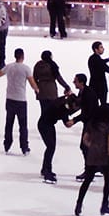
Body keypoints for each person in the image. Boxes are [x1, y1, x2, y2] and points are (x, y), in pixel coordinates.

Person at [33, 49, 71, 184]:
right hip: (51, 91)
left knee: (46, 113)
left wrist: (37, 90)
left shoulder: (38, 65)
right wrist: (66, 86)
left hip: (42, 92)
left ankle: (45, 168)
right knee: (51, 145)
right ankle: (46, 170)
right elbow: (59, 78)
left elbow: (34, 77)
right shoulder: (52, 66)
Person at [74, 102, 109, 216]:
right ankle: (104, 205)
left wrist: (92, 147)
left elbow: (85, 139)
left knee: (87, 180)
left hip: (92, 155)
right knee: (107, 182)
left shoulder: (92, 123)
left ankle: (79, 204)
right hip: (104, 155)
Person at [0, 47, 37, 155]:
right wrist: (37, 89)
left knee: (9, 124)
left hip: (10, 99)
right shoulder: (26, 68)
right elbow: (32, 82)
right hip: (21, 100)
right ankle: (24, 147)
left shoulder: (9, 66)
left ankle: (7, 145)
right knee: (23, 126)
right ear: (23, 56)